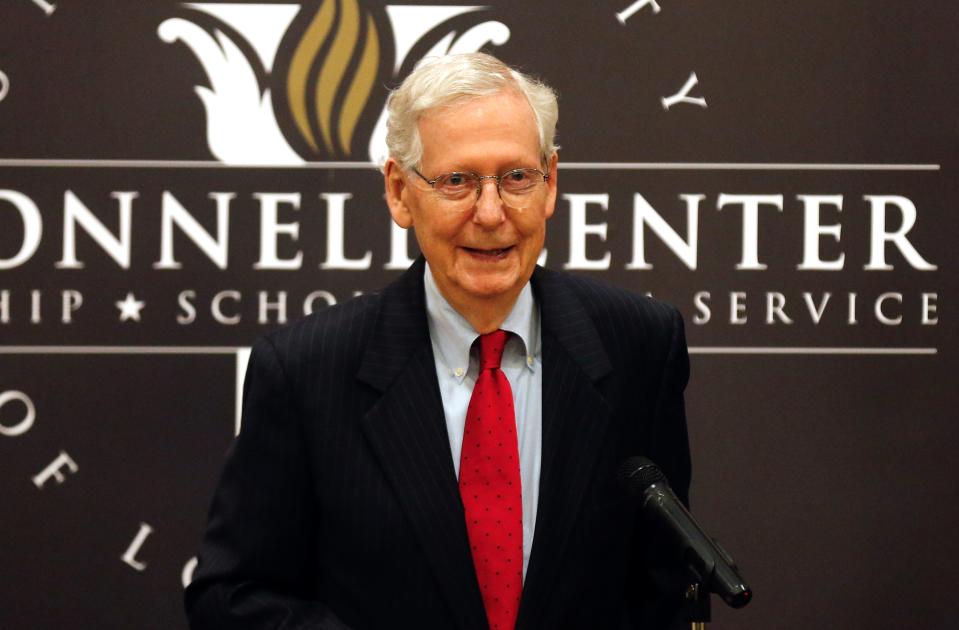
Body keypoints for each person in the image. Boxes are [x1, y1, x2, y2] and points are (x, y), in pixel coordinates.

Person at [185, 52, 692, 630]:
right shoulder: (306, 369)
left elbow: (664, 586)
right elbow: (232, 596)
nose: (492, 212)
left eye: (516, 177)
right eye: (457, 181)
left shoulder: (639, 345)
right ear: (400, 192)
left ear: (551, 183)